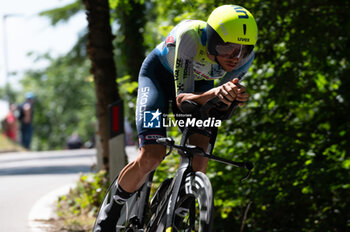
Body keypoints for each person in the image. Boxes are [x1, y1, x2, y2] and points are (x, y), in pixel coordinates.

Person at [95, 5, 258, 231]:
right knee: (152, 155)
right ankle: (111, 211)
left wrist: (233, 98)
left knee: (200, 159)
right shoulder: (190, 37)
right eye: (228, 47)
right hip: (158, 79)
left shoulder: (243, 61)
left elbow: (218, 104)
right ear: (211, 40)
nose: (235, 57)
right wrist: (216, 93)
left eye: (243, 50)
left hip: (200, 87)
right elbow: (182, 100)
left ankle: (178, 208)